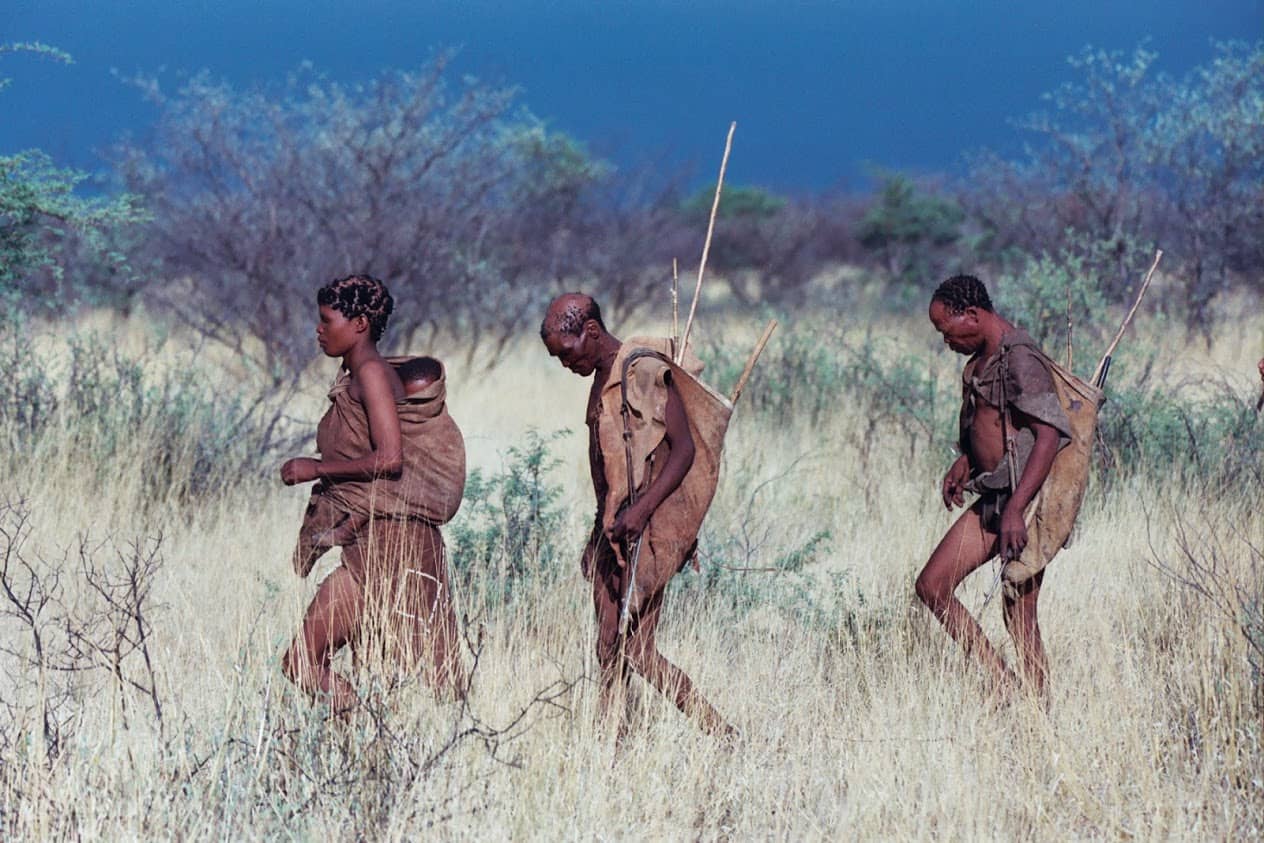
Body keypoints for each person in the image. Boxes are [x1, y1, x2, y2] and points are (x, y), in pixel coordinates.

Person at [540, 292, 735, 741]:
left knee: (634, 649)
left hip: (648, 527)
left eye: (567, 353)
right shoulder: (602, 376)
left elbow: (682, 451)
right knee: (611, 647)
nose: (565, 364)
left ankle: (722, 735)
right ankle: (613, 742)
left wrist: (642, 513)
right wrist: (601, 530)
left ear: (590, 332)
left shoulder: (642, 371)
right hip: (617, 528)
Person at [280, 276, 465, 712]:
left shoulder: (371, 375)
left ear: (360, 323)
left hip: (397, 547)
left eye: (328, 320)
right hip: (369, 544)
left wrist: (316, 469)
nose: (319, 330)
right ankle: (364, 744)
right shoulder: (355, 376)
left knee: (427, 681)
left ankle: (376, 742)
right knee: (306, 662)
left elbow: (389, 460)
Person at [917, 275, 1072, 701]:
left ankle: (1039, 716)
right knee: (933, 586)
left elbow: (1048, 436)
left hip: (1025, 501)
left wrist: (1016, 509)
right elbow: (995, 426)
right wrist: (965, 462)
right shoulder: (980, 364)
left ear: (972, 315)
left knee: (1019, 613)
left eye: (947, 331)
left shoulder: (1021, 359)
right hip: (996, 498)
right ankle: (1003, 686)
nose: (946, 341)